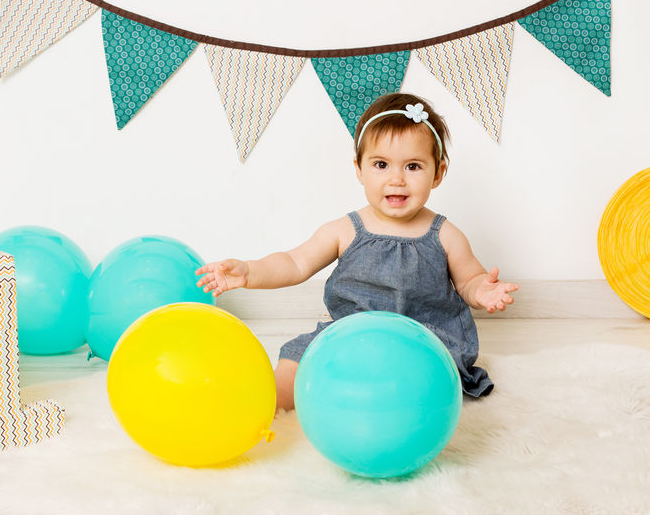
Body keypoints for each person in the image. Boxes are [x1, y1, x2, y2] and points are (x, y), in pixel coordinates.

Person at [196, 93, 518, 411]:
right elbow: (295, 263)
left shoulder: (445, 234)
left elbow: (468, 280)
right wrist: (250, 272)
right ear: (359, 169)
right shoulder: (344, 230)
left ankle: (385, 402)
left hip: (420, 341)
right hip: (351, 334)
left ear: (438, 173)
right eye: (381, 164)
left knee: (417, 381)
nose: (396, 179)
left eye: (413, 166)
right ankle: (265, 401)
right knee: (297, 358)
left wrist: (481, 290)